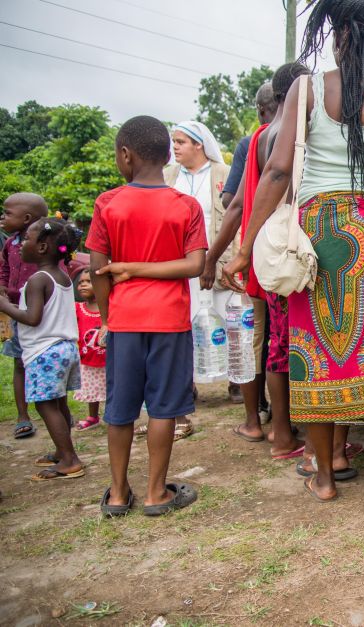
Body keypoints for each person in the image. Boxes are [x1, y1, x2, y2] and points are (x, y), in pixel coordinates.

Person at [222, 0, 364, 515]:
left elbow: (277, 170)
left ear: (335, 34)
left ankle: (325, 478)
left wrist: (243, 249)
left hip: (316, 233)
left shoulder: (307, 88)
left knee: (314, 354)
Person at [88, 115, 206, 517]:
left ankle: (119, 493)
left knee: (120, 409)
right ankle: (157, 492)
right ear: (166, 153)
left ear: (126, 155)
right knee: (163, 408)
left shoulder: (108, 203)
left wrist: (108, 314)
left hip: (123, 319)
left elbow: (98, 270)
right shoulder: (185, 206)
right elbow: (194, 265)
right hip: (170, 320)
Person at [212, 63, 309, 459]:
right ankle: (290, 436)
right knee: (293, 344)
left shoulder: (259, 139)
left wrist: (235, 252)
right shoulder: (288, 134)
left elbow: (236, 202)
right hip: (294, 249)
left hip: (270, 253)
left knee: (276, 343)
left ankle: (281, 432)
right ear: (299, 93)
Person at [0, 218, 84, 481]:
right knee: (58, 403)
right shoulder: (61, 276)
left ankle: (69, 460)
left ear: (42, 247)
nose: (22, 243)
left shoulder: (38, 279)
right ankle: (63, 450)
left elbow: (32, 317)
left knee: (45, 405)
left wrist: (4, 305)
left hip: (45, 352)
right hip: (65, 348)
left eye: (27, 239)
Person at [165, 120, 238, 421]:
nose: (175, 148)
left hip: (217, 258)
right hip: (180, 260)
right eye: (173, 142)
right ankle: (188, 382)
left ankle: (237, 379)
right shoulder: (168, 176)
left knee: (226, 315)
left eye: (181, 142)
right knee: (185, 320)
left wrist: (221, 261)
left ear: (199, 144)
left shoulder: (222, 173)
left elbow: (232, 219)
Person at [0, 192, 48, 439]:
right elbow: (4, 270)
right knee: (19, 363)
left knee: (46, 361)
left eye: (7, 213)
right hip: (18, 314)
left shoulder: (44, 245)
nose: (2, 217)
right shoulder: (10, 244)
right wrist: (4, 292)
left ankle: (58, 411)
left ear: (26, 218)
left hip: (43, 316)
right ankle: (22, 416)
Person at [221, 82, 278, 210]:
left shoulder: (249, 144)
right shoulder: (299, 139)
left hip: (259, 224)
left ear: (260, 109)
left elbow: (229, 200)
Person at [74, 269, 107, 430]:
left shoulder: (109, 307)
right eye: (80, 282)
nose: (83, 285)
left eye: (88, 281)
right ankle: (93, 416)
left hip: (109, 359)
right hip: (88, 359)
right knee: (91, 390)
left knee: (112, 387)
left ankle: (114, 415)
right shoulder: (78, 308)